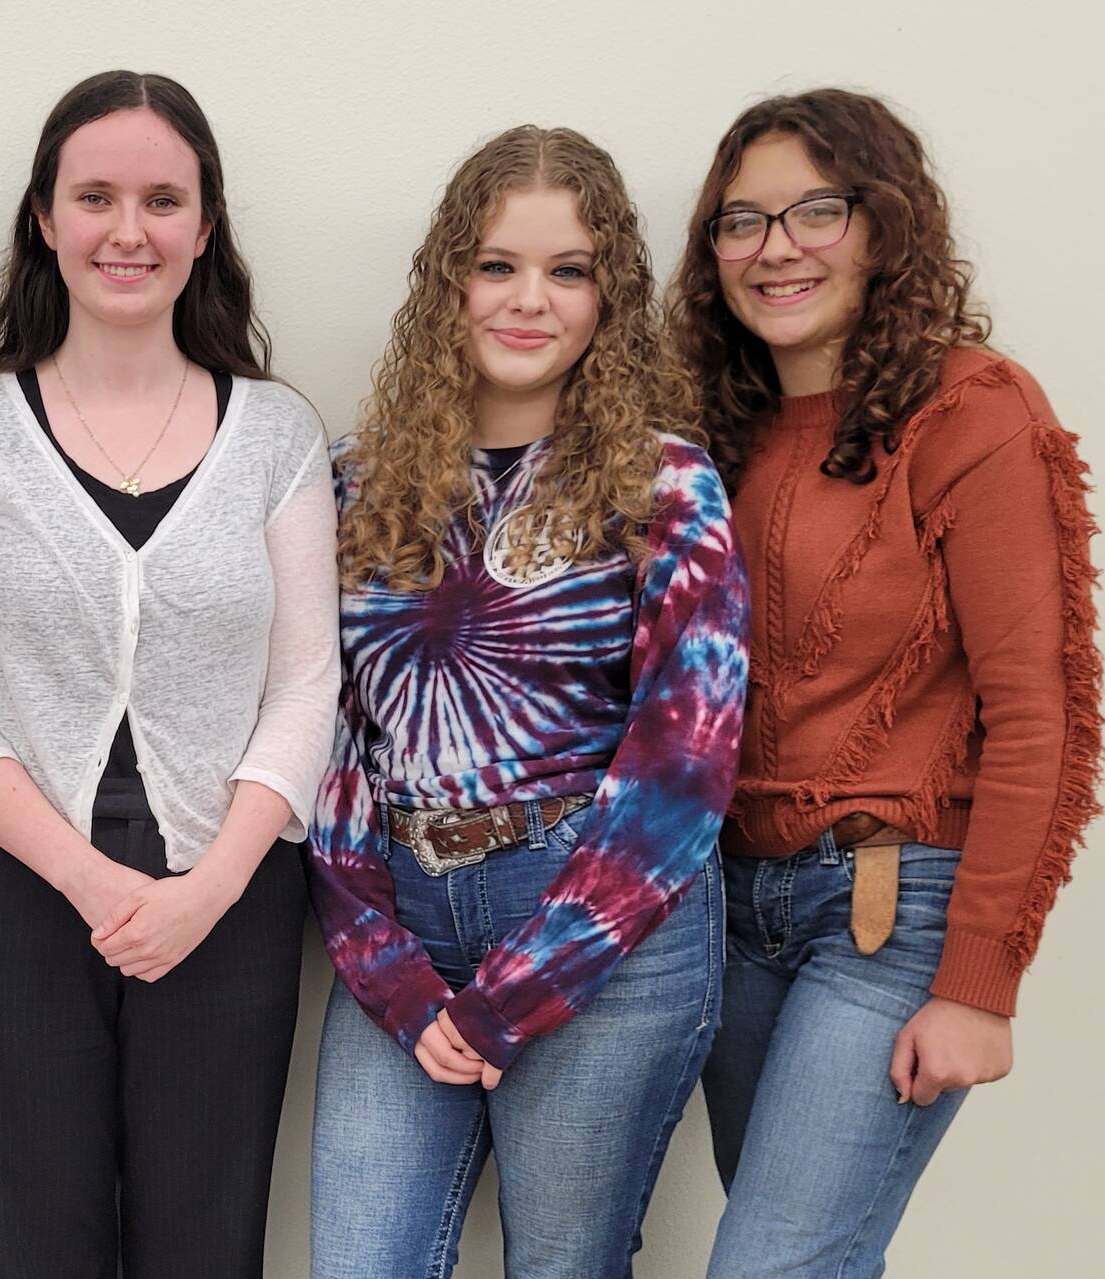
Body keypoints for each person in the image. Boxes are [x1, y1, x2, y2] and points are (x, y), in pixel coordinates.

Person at [0, 69, 339, 1279]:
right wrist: (89, 878)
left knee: (206, 1244)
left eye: (160, 198)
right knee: (31, 1241)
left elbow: (306, 686)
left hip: (230, 900)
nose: (126, 230)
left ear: (204, 225)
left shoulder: (275, 436)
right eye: (94, 197)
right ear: (45, 218)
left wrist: (208, 886)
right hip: (12, 893)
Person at [669, 88, 1101, 1278]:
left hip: (888, 913)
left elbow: (1041, 713)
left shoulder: (969, 411)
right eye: (738, 222)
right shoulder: (711, 430)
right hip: (726, 915)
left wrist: (979, 984)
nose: (775, 249)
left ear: (883, 225)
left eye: (815, 210)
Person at [307, 126, 749, 1278]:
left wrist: (518, 989)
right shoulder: (357, 480)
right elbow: (336, 738)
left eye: (567, 270)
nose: (528, 300)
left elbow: (683, 764)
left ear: (608, 295)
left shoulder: (664, 483)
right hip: (399, 925)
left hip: (601, 930)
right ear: (447, 279)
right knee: (361, 1257)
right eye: (496, 264)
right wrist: (388, 971)